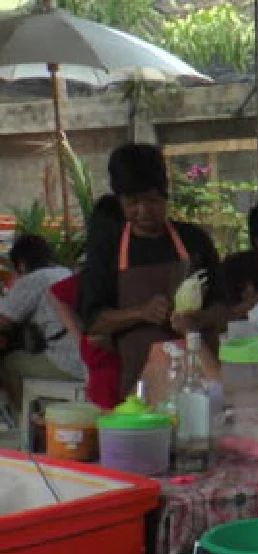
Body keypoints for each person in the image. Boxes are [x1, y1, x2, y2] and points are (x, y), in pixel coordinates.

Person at [78, 143, 225, 397]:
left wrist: (196, 320)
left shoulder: (195, 241)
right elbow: (94, 323)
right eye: (133, 202)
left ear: (165, 195)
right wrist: (140, 313)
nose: (144, 211)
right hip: (138, 385)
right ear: (120, 201)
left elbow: (224, 310)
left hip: (200, 379)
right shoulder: (107, 248)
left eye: (152, 200)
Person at [45, 194, 125, 409]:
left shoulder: (95, 274)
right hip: (111, 377)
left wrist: (80, 336)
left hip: (114, 375)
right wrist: (81, 337)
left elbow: (56, 294)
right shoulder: (102, 274)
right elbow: (55, 293)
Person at [0, 234, 87, 409]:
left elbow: (4, 321)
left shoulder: (33, 279)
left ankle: (25, 418)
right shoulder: (65, 272)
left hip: (67, 361)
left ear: (21, 264)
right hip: (85, 356)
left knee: (8, 364)